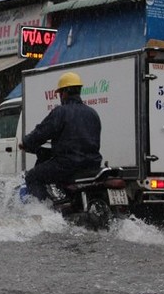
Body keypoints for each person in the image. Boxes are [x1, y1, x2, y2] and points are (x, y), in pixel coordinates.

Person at [19, 71, 102, 201]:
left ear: (63, 93)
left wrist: (26, 142)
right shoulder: (93, 113)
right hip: (92, 164)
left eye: (60, 93)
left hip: (67, 164)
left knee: (32, 176)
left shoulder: (61, 112)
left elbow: (42, 132)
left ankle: (42, 211)